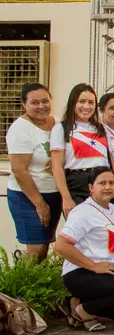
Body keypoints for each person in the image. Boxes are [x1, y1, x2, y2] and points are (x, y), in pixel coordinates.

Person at [54, 167, 114, 331]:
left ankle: (78, 303)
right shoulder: (83, 212)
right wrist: (93, 266)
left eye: (111, 183)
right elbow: (61, 245)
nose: (108, 187)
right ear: (91, 187)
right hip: (82, 272)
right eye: (102, 183)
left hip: (109, 272)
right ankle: (85, 310)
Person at [6, 83, 61, 259]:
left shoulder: (57, 123)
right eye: (35, 103)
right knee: (35, 250)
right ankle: (23, 277)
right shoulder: (20, 129)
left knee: (45, 246)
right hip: (27, 196)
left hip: (53, 193)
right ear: (24, 104)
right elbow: (19, 169)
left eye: (45, 101)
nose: (41, 106)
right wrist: (39, 203)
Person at [50, 83, 114, 215]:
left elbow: (111, 159)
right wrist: (66, 197)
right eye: (82, 101)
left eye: (91, 102)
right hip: (77, 184)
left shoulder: (101, 128)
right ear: (73, 103)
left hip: (103, 182)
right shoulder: (61, 128)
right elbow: (57, 166)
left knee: (105, 223)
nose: (87, 106)